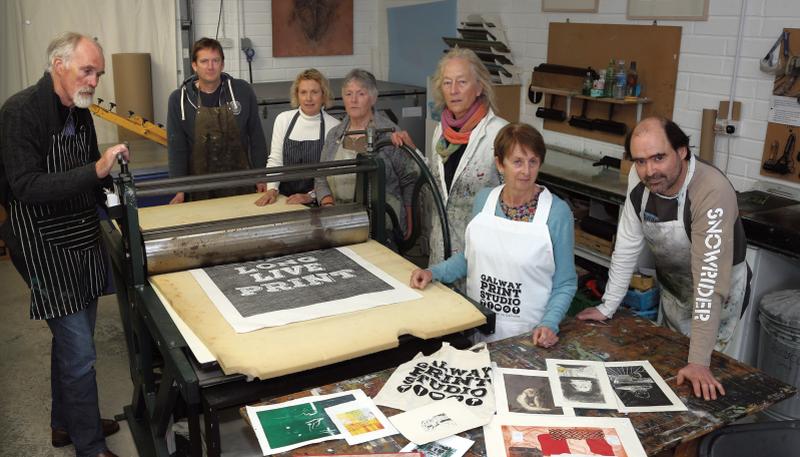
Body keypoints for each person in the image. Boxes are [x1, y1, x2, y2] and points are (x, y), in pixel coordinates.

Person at [0, 32, 127, 457]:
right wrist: (96, 169)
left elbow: (91, 176)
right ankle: (89, 446)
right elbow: (26, 185)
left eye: (98, 73)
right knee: (80, 354)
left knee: (71, 343)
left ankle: (64, 424)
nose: (94, 80)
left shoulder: (80, 111)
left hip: (79, 235)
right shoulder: (20, 111)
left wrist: (114, 194)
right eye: (87, 70)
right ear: (59, 65)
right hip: (40, 243)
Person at [577, 117, 749, 401]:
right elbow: (627, 244)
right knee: (667, 369)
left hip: (717, 294)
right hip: (674, 287)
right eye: (640, 161)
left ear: (682, 151)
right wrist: (608, 306)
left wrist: (699, 362)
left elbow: (708, 280)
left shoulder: (711, 190)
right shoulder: (640, 177)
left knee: (703, 386)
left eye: (659, 158)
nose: (649, 171)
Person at [409, 123, 576, 345]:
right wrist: (433, 273)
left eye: (533, 162)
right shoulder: (484, 201)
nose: (526, 171)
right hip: (478, 328)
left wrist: (549, 323)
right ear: (499, 164)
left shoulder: (556, 212)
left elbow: (565, 283)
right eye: (517, 162)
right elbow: (469, 258)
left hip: (529, 337)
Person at [427, 48, 508, 288]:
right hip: (439, 252)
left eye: (462, 82)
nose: (453, 90)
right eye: (447, 82)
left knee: (475, 322)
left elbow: (511, 203)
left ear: (479, 87)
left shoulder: (498, 134)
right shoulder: (440, 132)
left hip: (480, 258)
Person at [314, 69, 417, 239]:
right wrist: (328, 206)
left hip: (383, 226)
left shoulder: (389, 133)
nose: (353, 100)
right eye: (348, 94)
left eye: (360, 94)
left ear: (373, 98)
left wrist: (411, 223)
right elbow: (320, 177)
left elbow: (410, 179)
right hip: (340, 224)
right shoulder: (335, 135)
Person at [167, 37, 267, 203]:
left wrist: (261, 176)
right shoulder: (179, 99)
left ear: (222, 64)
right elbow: (177, 147)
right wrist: (179, 189)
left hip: (241, 184)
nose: (210, 66)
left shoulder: (242, 91)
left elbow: (256, 137)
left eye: (215, 60)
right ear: (194, 65)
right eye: (204, 61)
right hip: (199, 188)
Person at [255, 68, 340, 206]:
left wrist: (311, 196)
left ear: (324, 95)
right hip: (283, 200)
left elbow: (332, 176)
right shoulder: (283, 120)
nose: (308, 98)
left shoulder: (334, 127)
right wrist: (272, 189)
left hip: (317, 202)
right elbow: (276, 160)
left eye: (314, 92)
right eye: (303, 92)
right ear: (297, 95)